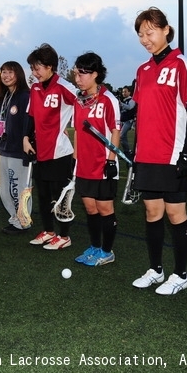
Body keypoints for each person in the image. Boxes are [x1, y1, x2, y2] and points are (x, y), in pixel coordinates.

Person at [130, 7, 187, 295]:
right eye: (141, 34)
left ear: (166, 30)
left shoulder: (182, 64)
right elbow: (141, 114)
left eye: (150, 32)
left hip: (172, 155)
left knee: (175, 214)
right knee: (151, 212)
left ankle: (180, 274)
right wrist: (135, 155)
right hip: (146, 155)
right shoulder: (142, 70)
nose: (145, 39)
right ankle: (156, 270)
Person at [24, 43, 76, 250]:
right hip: (40, 150)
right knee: (43, 194)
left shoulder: (64, 86)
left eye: (38, 68)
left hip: (60, 152)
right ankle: (49, 231)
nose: (35, 73)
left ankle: (64, 236)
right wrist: (26, 138)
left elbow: (83, 102)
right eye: (32, 69)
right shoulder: (35, 88)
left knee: (60, 195)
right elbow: (31, 115)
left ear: (50, 66)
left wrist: (69, 125)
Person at [71, 52, 121, 266]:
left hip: (103, 165)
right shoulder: (78, 100)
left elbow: (115, 131)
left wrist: (111, 160)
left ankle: (107, 251)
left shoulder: (108, 99)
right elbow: (77, 131)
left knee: (105, 209)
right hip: (84, 164)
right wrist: (75, 157)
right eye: (76, 73)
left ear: (95, 74)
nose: (77, 78)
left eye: (82, 74)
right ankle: (95, 246)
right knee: (90, 208)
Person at [0, 61, 32, 233]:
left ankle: (23, 221)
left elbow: (30, 123)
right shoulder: (5, 96)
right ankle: (14, 218)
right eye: (3, 72)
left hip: (18, 150)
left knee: (18, 188)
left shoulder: (25, 95)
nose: (6, 76)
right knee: (4, 190)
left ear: (18, 74)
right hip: (4, 148)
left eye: (10, 72)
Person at [119, 86, 136, 159]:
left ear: (129, 92)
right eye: (123, 92)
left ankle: (127, 151)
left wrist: (121, 104)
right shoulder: (124, 100)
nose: (124, 93)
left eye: (125, 91)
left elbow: (129, 107)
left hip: (128, 121)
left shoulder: (132, 100)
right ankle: (126, 152)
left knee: (121, 136)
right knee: (123, 137)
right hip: (123, 121)